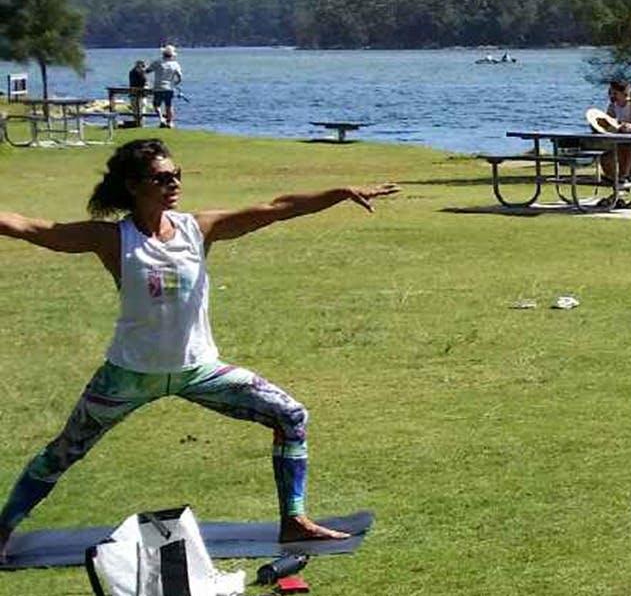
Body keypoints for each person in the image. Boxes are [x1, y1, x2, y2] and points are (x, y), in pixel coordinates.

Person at [0, 139, 397, 560]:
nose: (173, 183)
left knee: (290, 414)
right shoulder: (113, 238)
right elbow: (32, 228)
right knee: (62, 453)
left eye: (177, 175)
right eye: (161, 177)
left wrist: (338, 194)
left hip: (198, 370)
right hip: (129, 375)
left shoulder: (197, 228)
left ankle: (294, 518)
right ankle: (3, 527)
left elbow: (276, 207)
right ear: (134, 186)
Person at [146, 45, 183, 128]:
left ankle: (161, 119)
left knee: (156, 105)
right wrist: (175, 84)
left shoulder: (157, 62)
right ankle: (170, 122)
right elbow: (180, 77)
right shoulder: (175, 64)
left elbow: (147, 71)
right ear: (172, 55)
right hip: (169, 88)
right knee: (169, 106)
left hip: (158, 87)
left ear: (163, 54)